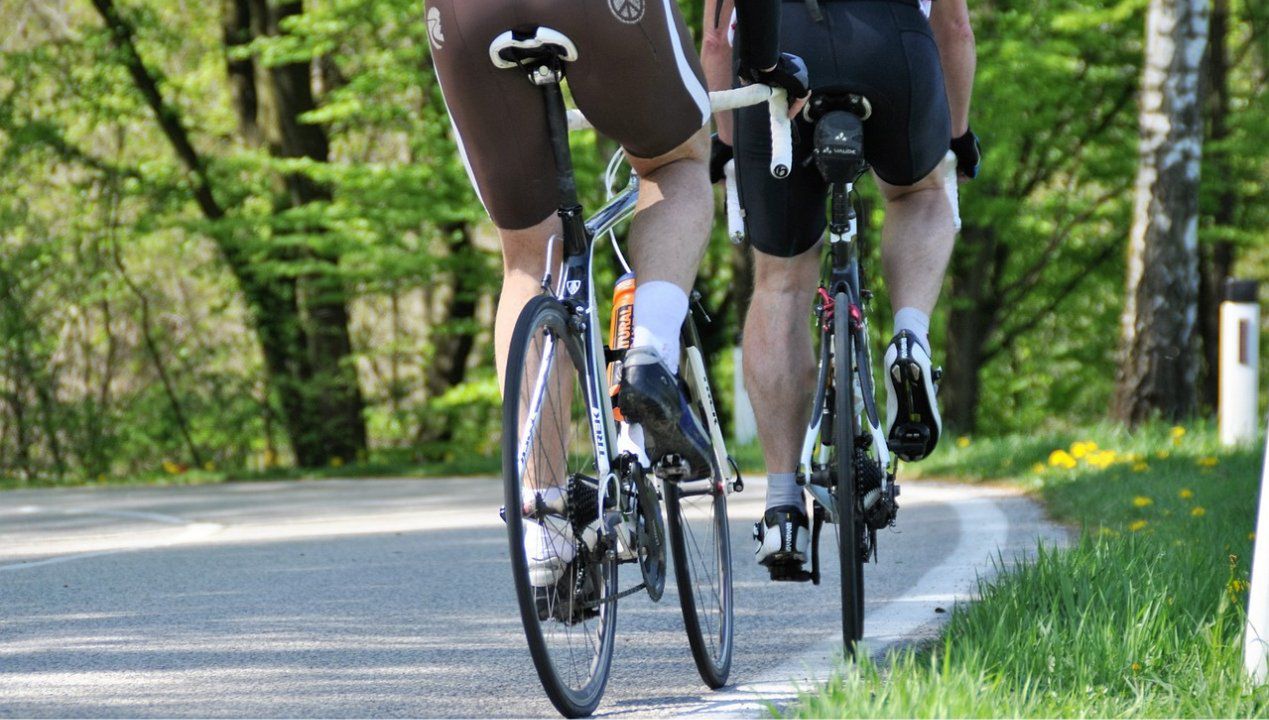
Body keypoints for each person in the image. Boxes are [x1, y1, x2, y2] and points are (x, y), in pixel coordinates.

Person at [426, 0, 808, 587]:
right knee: (677, 164)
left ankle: (544, 531)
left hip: (463, 16)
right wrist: (761, 61)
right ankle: (649, 354)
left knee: (529, 258)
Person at [701, 0, 980, 579]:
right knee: (921, 194)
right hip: (892, 42)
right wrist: (956, 135)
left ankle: (781, 504)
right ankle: (909, 337)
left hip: (774, 54)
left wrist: (728, 146)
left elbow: (716, 44)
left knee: (780, 280)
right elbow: (953, 26)